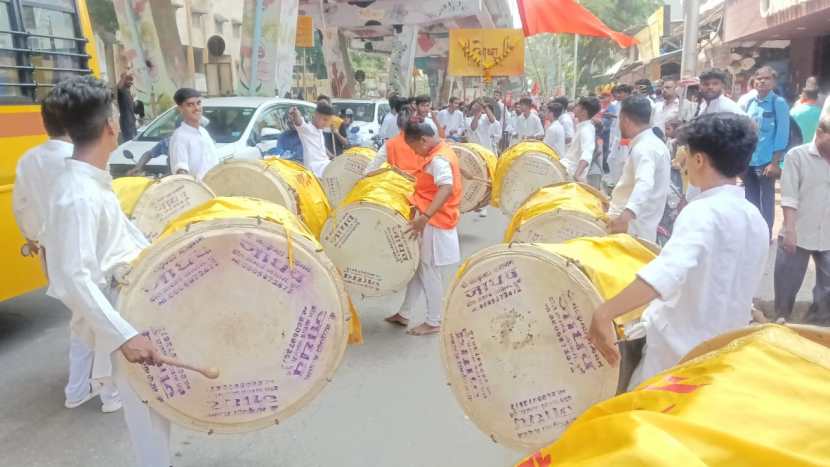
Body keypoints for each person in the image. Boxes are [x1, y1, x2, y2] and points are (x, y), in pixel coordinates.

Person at [587, 112, 769, 389]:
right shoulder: (754, 216)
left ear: (699, 160)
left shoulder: (703, 212)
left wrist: (604, 312)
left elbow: (665, 275)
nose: (682, 161)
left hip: (676, 354)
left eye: (686, 153)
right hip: (725, 352)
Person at [43, 76, 171, 466]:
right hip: (121, 311)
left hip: (135, 306)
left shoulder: (93, 183)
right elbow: (73, 278)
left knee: (159, 413)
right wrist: (124, 336)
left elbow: (123, 238)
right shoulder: (76, 195)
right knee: (146, 421)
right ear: (111, 126)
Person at [12, 85, 123, 414]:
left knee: (81, 322)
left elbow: (23, 208)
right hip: (89, 256)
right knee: (101, 322)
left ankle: (77, 388)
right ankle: (110, 393)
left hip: (52, 251)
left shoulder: (30, 159)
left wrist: (36, 237)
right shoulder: (80, 168)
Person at [384, 121, 461, 336]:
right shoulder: (441, 150)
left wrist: (425, 217)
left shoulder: (438, 159)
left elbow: (446, 187)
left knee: (429, 271)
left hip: (436, 220)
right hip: (433, 218)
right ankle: (405, 313)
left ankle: (434, 320)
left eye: (414, 147)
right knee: (420, 268)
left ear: (424, 140)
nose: (413, 152)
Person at [774, 115, 830, 324]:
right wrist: (789, 229)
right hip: (798, 230)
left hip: (828, 233)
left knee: (828, 288)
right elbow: (789, 196)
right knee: (787, 281)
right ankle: (781, 319)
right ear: (820, 133)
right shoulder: (796, 156)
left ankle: (817, 326)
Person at [607, 96, 671, 243]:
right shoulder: (654, 144)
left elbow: (645, 183)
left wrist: (625, 216)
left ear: (625, 119)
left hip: (632, 230)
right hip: (639, 226)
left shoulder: (644, 148)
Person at [744, 66, 790, 237]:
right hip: (749, 160)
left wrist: (774, 162)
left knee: (766, 199)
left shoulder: (778, 103)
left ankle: (766, 233)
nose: (762, 81)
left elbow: (782, 134)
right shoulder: (750, 103)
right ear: (754, 81)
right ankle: (753, 232)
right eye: (759, 78)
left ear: (773, 82)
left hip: (766, 161)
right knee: (750, 198)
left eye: (767, 78)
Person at [168, 88, 218, 181]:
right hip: (198, 191)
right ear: (180, 108)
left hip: (215, 188)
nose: (197, 108)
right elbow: (181, 171)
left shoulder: (203, 132)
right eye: (190, 105)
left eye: (198, 103)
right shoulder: (180, 137)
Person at [363, 108, 422, 175]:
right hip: (420, 183)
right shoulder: (425, 142)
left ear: (398, 124)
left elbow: (369, 170)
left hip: (396, 182)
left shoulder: (389, 144)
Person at [290, 101, 335, 178]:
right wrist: (295, 113)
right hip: (315, 173)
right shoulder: (307, 130)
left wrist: (332, 156)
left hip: (326, 166)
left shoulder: (320, 130)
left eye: (328, 121)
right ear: (316, 115)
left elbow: (321, 147)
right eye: (324, 119)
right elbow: (299, 122)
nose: (326, 123)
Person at [561, 96, 600, 181]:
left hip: (570, 175)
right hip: (566, 170)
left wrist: (577, 175)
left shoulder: (586, 130)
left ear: (584, 112)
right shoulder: (583, 126)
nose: (574, 107)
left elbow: (587, 153)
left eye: (577, 105)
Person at [603, 84, 633, 192]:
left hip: (626, 139)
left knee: (623, 163)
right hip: (617, 138)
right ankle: (615, 185)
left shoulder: (631, 105)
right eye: (617, 93)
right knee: (612, 160)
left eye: (620, 93)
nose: (617, 95)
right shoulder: (619, 104)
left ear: (627, 93)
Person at [117, 71, 137, 142]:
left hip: (132, 121)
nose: (131, 83)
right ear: (124, 81)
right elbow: (119, 87)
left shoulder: (128, 92)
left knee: (134, 141)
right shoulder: (122, 91)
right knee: (129, 142)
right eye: (129, 80)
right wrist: (123, 77)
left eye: (131, 81)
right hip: (126, 121)